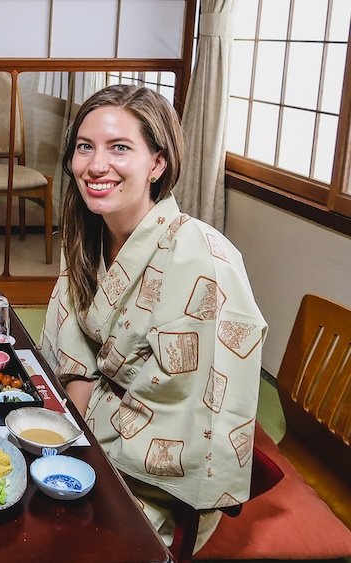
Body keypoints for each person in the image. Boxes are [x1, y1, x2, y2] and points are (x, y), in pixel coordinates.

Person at [39, 85, 267, 552]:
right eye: (86, 147)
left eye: (119, 147)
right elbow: (73, 349)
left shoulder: (202, 257)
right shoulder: (86, 237)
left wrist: (85, 445)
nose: (96, 165)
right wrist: (66, 442)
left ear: (157, 163)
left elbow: (191, 407)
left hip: (153, 475)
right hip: (93, 437)